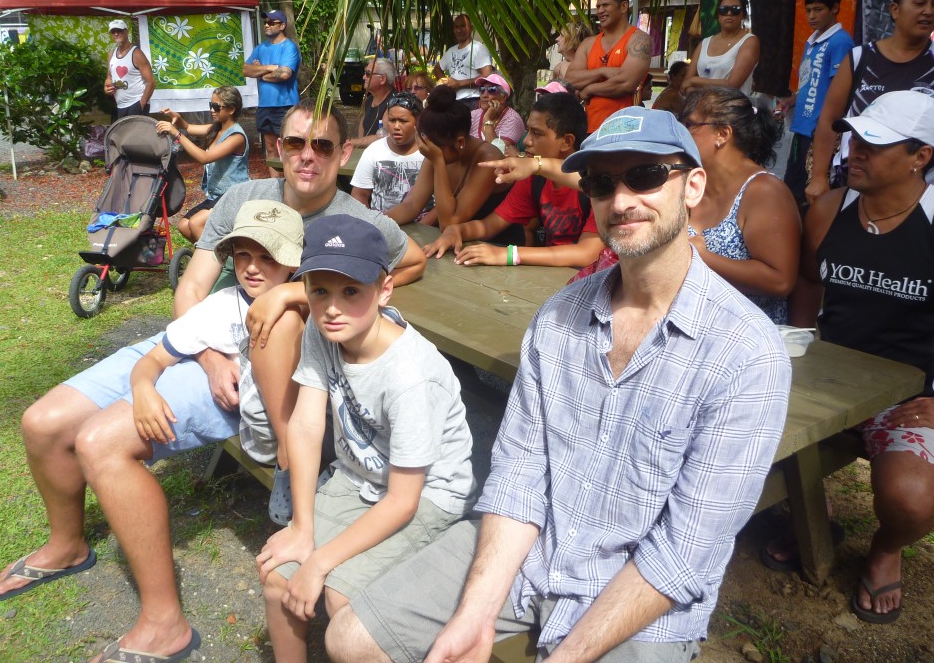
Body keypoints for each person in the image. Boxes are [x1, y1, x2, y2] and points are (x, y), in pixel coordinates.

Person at [324, 105, 791, 663]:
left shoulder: (746, 352)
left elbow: (685, 552)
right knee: (351, 639)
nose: (621, 201)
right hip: (533, 546)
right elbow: (520, 475)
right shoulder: (559, 319)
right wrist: (476, 612)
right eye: (601, 183)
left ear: (692, 186)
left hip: (643, 595)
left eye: (644, 176)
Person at [0, 200, 308, 663]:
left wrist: (292, 294)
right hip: (201, 352)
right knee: (41, 422)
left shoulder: (305, 302)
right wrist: (143, 385)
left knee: (99, 441)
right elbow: (161, 351)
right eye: (242, 256)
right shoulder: (224, 302)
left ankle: (164, 624)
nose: (253, 268)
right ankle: (66, 545)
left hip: (253, 389)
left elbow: (358, 290)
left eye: (268, 258)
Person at [256, 214, 476, 663]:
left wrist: (318, 561)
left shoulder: (411, 376)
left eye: (351, 291)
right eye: (319, 291)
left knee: (344, 601)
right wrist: (302, 528)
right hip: (358, 475)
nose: (332, 308)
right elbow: (304, 424)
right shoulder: (323, 330)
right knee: (279, 577)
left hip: (426, 495)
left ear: (385, 289)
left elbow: (403, 501)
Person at [784, 91, 934, 624]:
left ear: (921, 155)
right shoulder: (829, 210)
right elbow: (805, 283)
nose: (857, 152)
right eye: (857, 138)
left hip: (910, 396)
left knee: (912, 500)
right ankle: (811, 514)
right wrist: (799, 349)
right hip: (828, 378)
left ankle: (888, 545)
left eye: (875, 143)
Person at [176, 100, 427, 412]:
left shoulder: (362, 222)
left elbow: (415, 260)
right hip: (203, 346)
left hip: (270, 373)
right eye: (296, 143)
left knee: (102, 440)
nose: (308, 156)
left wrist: (295, 291)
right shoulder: (242, 198)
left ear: (344, 153)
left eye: (322, 146)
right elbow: (192, 288)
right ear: (281, 149)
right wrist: (209, 359)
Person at [425, 92, 603, 268]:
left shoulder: (597, 184)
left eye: (536, 133)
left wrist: (508, 254)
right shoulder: (535, 179)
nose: (526, 141)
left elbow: (587, 254)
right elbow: (489, 225)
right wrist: (457, 230)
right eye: (528, 131)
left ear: (566, 141)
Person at [805, 0, 934, 205]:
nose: (928, 11)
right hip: (856, 182)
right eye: (919, 3)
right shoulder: (860, 58)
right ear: (895, 10)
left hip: (918, 188)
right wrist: (818, 177)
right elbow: (829, 119)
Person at [681, 87, 800, 324]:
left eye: (691, 124)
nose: (681, 132)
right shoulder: (689, 182)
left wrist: (701, 257)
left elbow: (780, 281)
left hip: (747, 337)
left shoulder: (763, 191)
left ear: (723, 134)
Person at [384, 85, 511, 231]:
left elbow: (449, 223)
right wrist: (376, 223)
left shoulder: (488, 159)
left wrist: (438, 162)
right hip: (451, 242)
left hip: (493, 245)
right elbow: (411, 205)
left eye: (433, 149)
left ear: (460, 142)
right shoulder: (438, 149)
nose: (426, 150)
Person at [780, 0, 856, 206]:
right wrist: (791, 101)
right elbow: (810, 82)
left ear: (835, 8)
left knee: (814, 194)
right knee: (793, 189)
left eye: (818, 9)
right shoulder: (812, 41)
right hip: (802, 127)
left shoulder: (840, 41)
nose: (811, 16)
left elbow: (839, 91)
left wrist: (825, 129)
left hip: (820, 132)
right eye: (808, 10)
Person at [156, 86, 250, 242]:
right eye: (210, 105)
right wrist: (177, 119)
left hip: (235, 195)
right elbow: (188, 127)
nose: (212, 110)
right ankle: (215, 254)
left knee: (195, 223)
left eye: (216, 107)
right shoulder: (215, 129)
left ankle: (216, 263)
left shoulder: (236, 136)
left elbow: (204, 157)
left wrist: (177, 134)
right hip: (217, 196)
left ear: (231, 109)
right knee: (184, 225)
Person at [566, 0, 652, 132]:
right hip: (588, 130)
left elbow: (625, 83)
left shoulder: (638, 40)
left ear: (623, 7)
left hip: (622, 130)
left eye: (606, 5)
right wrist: (602, 71)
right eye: (598, 6)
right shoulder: (588, 43)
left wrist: (590, 88)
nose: (600, 10)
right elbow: (570, 79)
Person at [350, 92, 430, 216]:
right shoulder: (374, 150)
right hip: (380, 227)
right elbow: (359, 193)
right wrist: (369, 223)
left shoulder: (430, 152)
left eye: (403, 121)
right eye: (392, 120)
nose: (396, 126)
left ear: (418, 121)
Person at [244, 10, 302, 169]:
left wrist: (260, 74)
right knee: (270, 148)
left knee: (289, 148)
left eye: (271, 22)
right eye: (265, 22)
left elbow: (284, 74)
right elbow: (245, 70)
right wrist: (270, 68)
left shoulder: (289, 47)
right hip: (264, 106)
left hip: (285, 105)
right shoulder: (260, 48)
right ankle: (275, 188)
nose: (266, 25)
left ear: (282, 25)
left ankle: (291, 186)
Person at [682, 0, 760, 97]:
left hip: (732, 111)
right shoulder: (705, 43)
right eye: (724, 9)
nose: (729, 13)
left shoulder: (749, 41)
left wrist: (694, 81)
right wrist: (694, 90)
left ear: (743, 14)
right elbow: (685, 84)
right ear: (718, 15)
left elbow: (732, 85)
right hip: (701, 110)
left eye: (735, 9)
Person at [433, 14, 494, 109]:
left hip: (472, 100)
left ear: (471, 28)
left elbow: (487, 76)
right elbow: (437, 69)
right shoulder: (451, 51)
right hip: (452, 101)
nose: (459, 30)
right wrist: (445, 83)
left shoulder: (479, 49)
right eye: (456, 27)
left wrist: (459, 84)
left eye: (463, 26)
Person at [104, 19, 155, 122]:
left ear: (126, 32)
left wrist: (142, 103)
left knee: (136, 136)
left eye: (119, 30)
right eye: (113, 31)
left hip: (136, 103)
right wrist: (107, 87)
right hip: (120, 105)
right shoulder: (112, 54)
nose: (116, 34)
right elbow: (109, 77)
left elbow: (151, 82)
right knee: (121, 136)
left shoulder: (136, 54)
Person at [469, 74, 525, 155]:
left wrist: (487, 119)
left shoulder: (512, 119)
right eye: (482, 89)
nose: (484, 95)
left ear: (503, 97)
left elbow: (496, 153)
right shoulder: (473, 115)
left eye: (491, 90)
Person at [348, 57, 396, 150]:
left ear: (382, 79)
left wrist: (349, 142)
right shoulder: (369, 100)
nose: (364, 77)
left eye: (368, 74)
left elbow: (383, 136)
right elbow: (363, 129)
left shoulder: (394, 102)